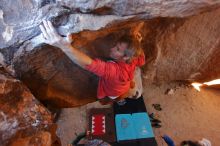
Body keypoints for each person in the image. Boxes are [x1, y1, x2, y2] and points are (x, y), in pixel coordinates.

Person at [39, 20, 145, 105]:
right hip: (124, 83)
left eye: (117, 49)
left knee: (108, 100)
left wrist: (64, 46)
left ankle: (117, 100)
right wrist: (137, 44)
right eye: (115, 45)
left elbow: (89, 65)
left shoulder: (114, 71)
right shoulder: (134, 57)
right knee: (125, 86)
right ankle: (128, 87)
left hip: (115, 91)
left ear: (126, 56)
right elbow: (142, 60)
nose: (112, 48)